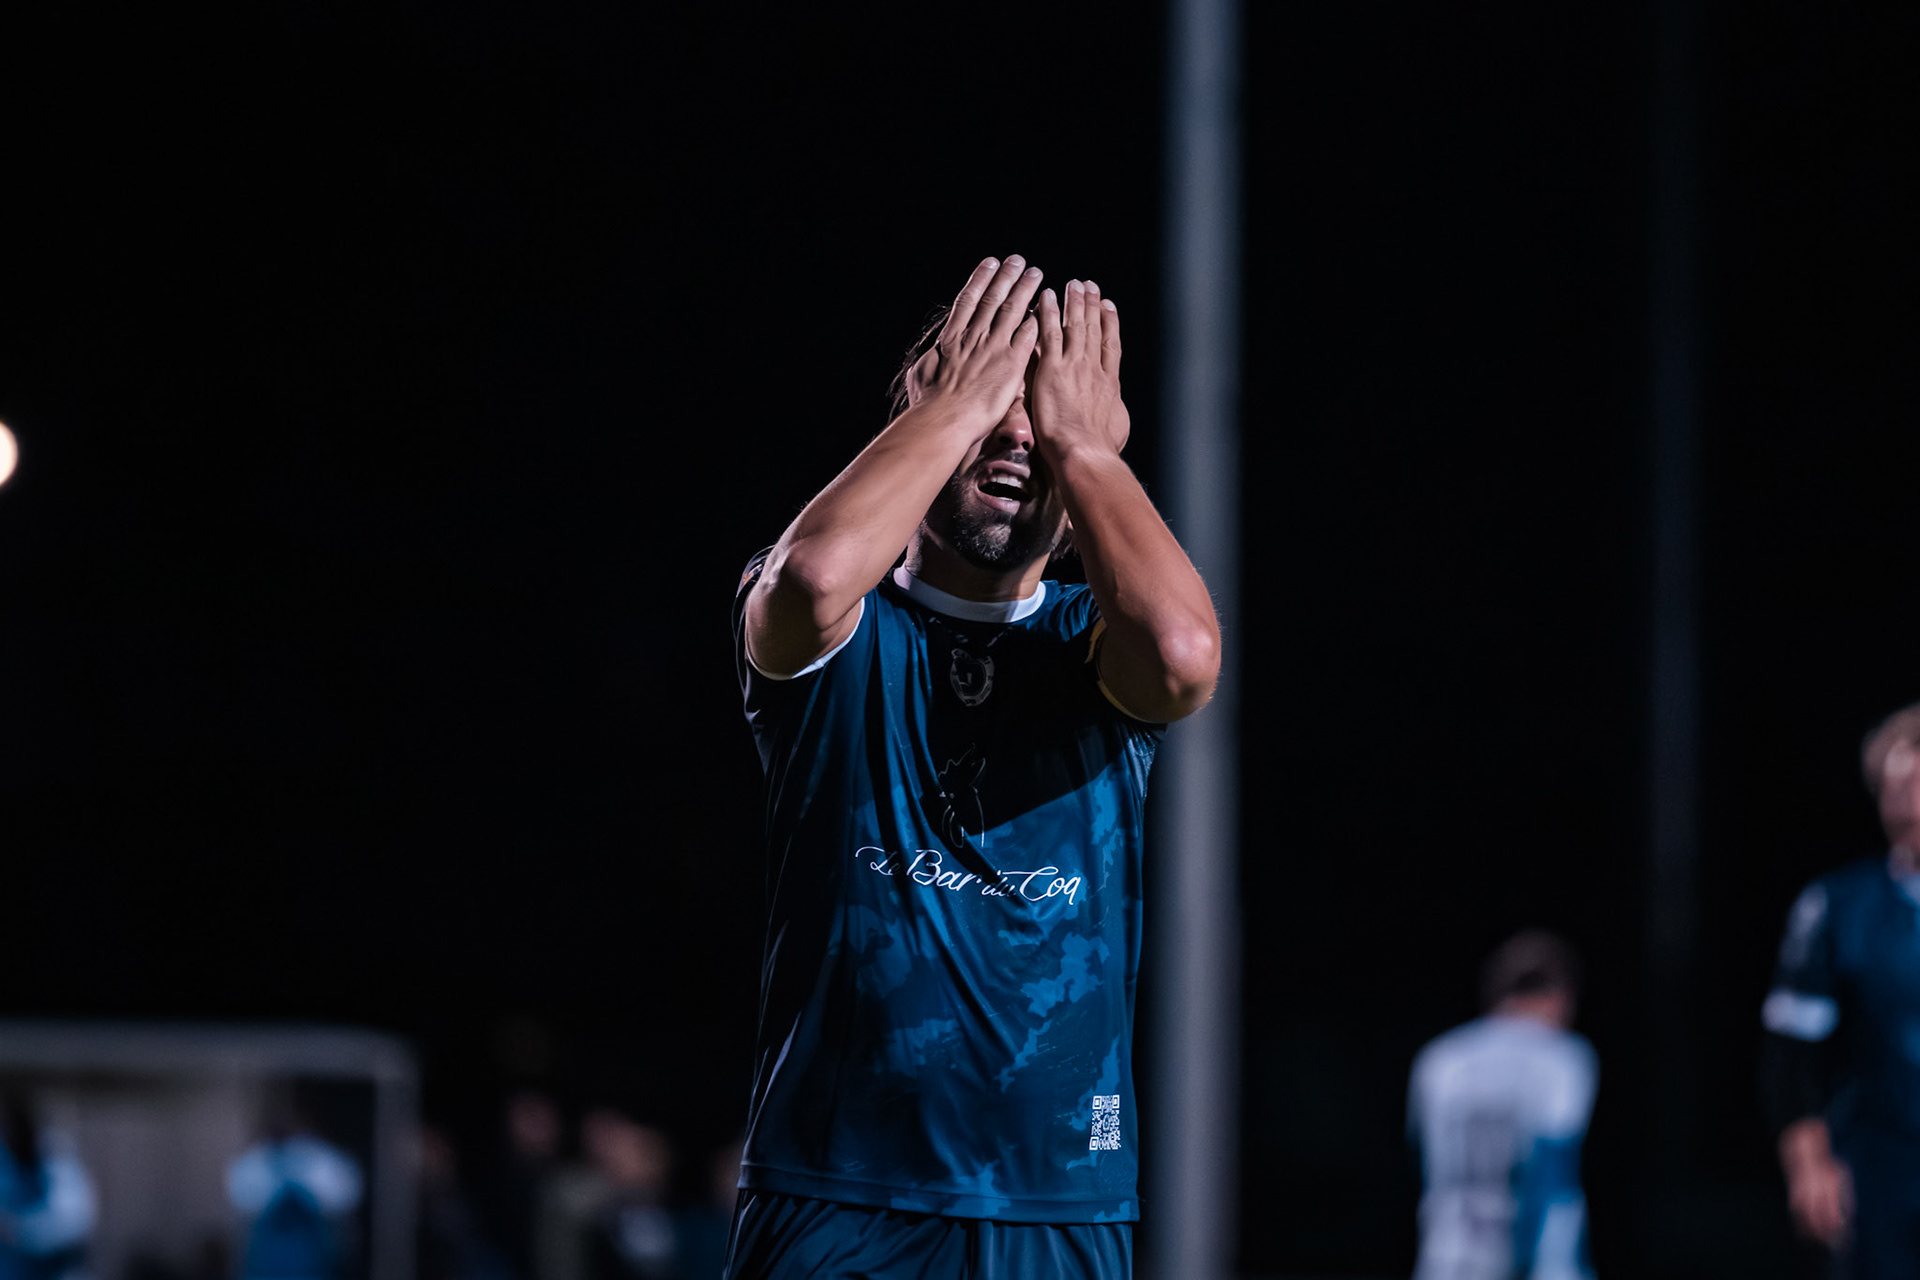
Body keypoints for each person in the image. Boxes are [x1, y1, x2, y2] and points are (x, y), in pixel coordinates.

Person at [726, 255, 1220, 1279]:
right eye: (996, 399)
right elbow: (812, 579)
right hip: (838, 1196)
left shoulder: (1097, 645)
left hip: (1059, 1207)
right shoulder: (850, 633)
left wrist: (1089, 444)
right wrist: (954, 402)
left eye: (1041, 411)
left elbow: (1183, 654)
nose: (1017, 433)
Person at [1761, 700, 1920, 1279]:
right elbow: (1792, 1051)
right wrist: (1807, 1161)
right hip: (1880, 1164)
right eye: (1891, 786)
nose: (1903, 801)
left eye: (1916, 784)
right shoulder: (1839, 906)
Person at [1407, 930, 1598, 1280]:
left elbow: (1425, 1160)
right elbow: (1551, 1163)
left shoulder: (1440, 1059)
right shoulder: (1561, 1058)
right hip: (1530, 1262)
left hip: (1447, 1259)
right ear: (1559, 996)